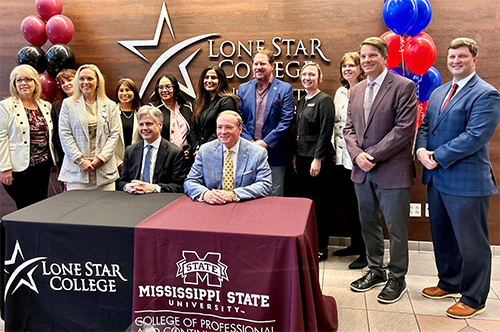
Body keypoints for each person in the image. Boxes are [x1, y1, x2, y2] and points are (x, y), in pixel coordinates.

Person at [416, 38, 500, 318]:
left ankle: (475, 298)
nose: (455, 61)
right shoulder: (440, 92)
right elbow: (426, 125)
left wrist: (436, 155)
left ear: (474, 60)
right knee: (443, 237)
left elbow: (475, 137)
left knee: (471, 242)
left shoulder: (486, 94)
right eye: (452, 56)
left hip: (466, 181)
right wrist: (420, 150)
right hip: (437, 178)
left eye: (462, 57)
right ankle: (449, 282)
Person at [344, 37, 417, 304]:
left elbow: (403, 129)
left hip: (392, 170)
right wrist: (357, 155)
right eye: (362, 56)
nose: (366, 60)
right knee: (368, 223)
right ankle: (376, 270)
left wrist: (371, 155)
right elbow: (348, 129)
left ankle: (397, 276)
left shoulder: (403, 86)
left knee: (396, 228)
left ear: (385, 57)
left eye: (372, 55)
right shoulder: (357, 90)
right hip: (362, 172)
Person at [237, 49, 294, 196]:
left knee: (275, 195)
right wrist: (250, 142)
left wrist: (265, 143)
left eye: (262, 63)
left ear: (272, 66)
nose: (258, 67)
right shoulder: (243, 88)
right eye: (256, 64)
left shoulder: (284, 88)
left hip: (275, 153)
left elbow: (286, 120)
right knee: (249, 194)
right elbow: (239, 119)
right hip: (248, 152)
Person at [293, 62, 334, 261]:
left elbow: (326, 133)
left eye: (312, 74)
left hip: (317, 161)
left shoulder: (324, 100)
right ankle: (307, 245)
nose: (307, 77)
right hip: (301, 160)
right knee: (304, 206)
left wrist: (318, 158)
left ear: (319, 77)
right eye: (304, 74)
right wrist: (295, 155)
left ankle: (321, 248)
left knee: (319, 205)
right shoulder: (302, 100)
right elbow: (299, 131)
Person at [0, 64, 56, 209]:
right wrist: (4, 168)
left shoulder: (46, 106)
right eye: (19, 80)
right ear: (14, 84)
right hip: (18, 168)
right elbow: (1, 137)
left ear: (35, 83)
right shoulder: (6, 106)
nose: (23, 83)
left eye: (28, 79)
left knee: (39, 207)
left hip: (42, 167)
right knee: (25, 207)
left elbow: (49, 136)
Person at [184, 111, 272, 203]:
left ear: (240, 129)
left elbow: (265, 184)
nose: (223, 132)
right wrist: (205, 194)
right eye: (219, 127)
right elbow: (190, 181)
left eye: (229, 127)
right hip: (214, 205)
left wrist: (233, 194)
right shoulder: (205, 150)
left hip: (244, 204)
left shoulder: (257, 152)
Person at [58, 64, 121, 191]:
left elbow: (114, 134)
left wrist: (101, 159)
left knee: (105, 209)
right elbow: (65, 134)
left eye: (90, 78)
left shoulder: (110, 105)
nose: (85, 82)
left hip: (104, 171)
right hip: (77, 171)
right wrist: (80, 161)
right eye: (81, 79)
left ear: (97, 81)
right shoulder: (68, 104)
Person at [331, 52, 368, 269]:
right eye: (345, 66)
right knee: (349, 204)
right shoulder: (339, 92)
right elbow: (337, 124)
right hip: (342, 158)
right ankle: (355, 245)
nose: (348, 69)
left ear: (360, 69)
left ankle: (365, 252)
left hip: (360, 157)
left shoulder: (365, 90)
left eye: (352, 66)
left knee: (363, 206)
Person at [118, 105, 188, 194]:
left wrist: (154, 188)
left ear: (160, 125)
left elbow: (179, 186)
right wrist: (127, 186)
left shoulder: (174, 153)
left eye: (149, 124)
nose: (144, 128)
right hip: (134, 198)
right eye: (141, 124)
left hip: (160, 200)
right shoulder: (130, 151)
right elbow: (121, 182)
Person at [191, 65, 237, 155]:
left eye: (213, 78)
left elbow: (225, 129)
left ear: (221, 81)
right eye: (206, 77)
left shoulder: (227, 101)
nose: (209, 81)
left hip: (218, 151)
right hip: (199, 152)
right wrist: (197, 148)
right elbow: (193, 127)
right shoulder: (199, 101)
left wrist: (205, 148)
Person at [150, 74, 192, 159]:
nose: (164, 90)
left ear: (175, 88)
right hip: (163, 158)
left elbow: (193, 133)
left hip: (185, 158)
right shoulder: (153, 109)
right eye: (161, 87)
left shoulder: (187, 107)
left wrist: (190, 151)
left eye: (168, 87)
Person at [52, 68, 76, 168]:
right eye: (62, 82)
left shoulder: (90, 102)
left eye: (69, 80)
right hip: (65, 155)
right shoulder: (56, 106)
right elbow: (56, 134)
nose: (66, 84)